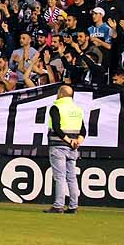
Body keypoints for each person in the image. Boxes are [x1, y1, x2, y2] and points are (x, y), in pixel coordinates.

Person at [45, 84, 85, 214]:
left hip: (58, 146)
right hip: (73, 148)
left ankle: (58, 206)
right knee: (72, 177)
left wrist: (68, 140)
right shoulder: (77, 109)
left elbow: (57, 128)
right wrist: (76, 142)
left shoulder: (56, 107)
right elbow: (83, 130)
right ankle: (73, 206)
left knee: (60, 177)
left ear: (61, 94)